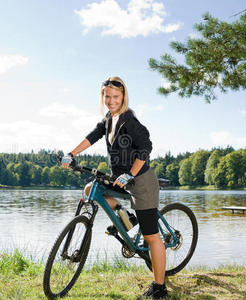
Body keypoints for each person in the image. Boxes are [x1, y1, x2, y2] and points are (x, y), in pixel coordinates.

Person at [61, 76, 168, 299]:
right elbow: (92, 136)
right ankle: (129, 219)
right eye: (107, 96)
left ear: (123, 96)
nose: (111, 101)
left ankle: (159, 288)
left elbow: (146, 147)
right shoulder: (109, 119)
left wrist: (131, 173)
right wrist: (72, 154)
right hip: (120, 179)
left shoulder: (130, 120)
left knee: (151, 236)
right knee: (92, 189)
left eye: (115, 97)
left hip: (141, 181)